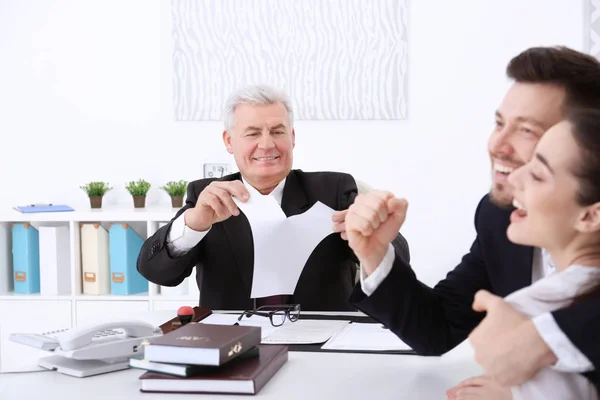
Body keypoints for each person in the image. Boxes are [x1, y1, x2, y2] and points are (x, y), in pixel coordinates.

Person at [337, 46, 600, 386]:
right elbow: (439, 328)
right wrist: (374, 253)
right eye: (499, 123)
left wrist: (545, 342)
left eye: (527, 131)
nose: (497, 145)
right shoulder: (499, 216)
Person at [136, 84, 409, 311]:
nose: (267, 144)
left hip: (320, 347)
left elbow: (400, 264)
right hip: (235, 347)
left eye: (277, 132)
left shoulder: (333, 189)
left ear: (291, 137)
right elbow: (156, 273)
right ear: (229, 141)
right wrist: (194, 223)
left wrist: (372, 236)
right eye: (253, 133)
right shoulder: (206, 196)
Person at [445, 110, 600, 399]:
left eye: (539, 174)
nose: (514, 177)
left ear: (591, 216)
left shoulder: (533, 315)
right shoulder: (495, 222)